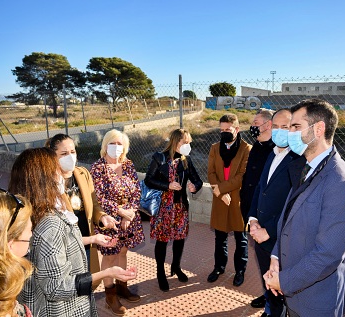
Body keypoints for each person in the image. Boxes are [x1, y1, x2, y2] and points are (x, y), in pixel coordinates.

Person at [264, 99, 345, 317]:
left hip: (318, 302)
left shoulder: (341, 183)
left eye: (295, 127)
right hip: (295, 296)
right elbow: (288, 219)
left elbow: (327, 254)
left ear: (318, 129)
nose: (289, 133)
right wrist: (276, 257)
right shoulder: (304, 167)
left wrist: (284, 280)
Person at [10, 148, 137, 317]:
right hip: (63, 310)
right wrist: (107, 273)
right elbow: (57, 287)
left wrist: (93, 238)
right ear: (43, 178)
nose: (61, 174)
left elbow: (58, 246)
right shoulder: (50, 224)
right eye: (55, 169)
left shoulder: (32, 213)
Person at [248, 108, 300, 317]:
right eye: (276, 127)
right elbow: (260, 189)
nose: (279, 132)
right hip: (259, 235)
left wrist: (269, 230)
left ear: (294, 129)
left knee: (282, 284)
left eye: (285, 127)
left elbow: (295, 206)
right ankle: (271, 310)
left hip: (280, 238)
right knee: (268, 281)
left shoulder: (298, 160)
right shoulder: (272, 153)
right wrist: (252, 221)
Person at [46, 134, 118, 276]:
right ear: (52, 156)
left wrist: (103, 217)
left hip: (87, 243)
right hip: (66, 247)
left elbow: (94, 204)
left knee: (88, 282)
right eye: (64, 153)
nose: (70, 156)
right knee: (72, 286)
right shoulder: (49, 182)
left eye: (73, 152)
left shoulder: (83, 174)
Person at [91, 129, 145, 315]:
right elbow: (98, 197)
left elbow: (137, 191)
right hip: (109, 221)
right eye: (112, 143)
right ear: (105, 145)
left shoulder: (128, 164)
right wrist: (120, 211)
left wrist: (128, 214)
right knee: (110, 256)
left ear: (125, 147)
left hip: (129, 219)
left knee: (123, 251)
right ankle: (110, 295)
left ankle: (123, 287)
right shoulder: (98, 167)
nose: (116, 147)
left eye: (119, 144)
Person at [144, 128, 204, 292]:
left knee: (179, 238)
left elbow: (197, 180)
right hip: (162, 207)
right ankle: (160, 272)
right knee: (162, 241)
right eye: (185, 142)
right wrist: (167, 186)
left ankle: (176, 267)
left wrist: (194, 187)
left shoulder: (186, 160)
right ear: (175, 142)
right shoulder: (159, 158)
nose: (188, 145)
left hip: (180, 206)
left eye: (189, 142)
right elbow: (149, 180)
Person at [207, 113, 252, 287]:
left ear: (237, 129)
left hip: (237, 199)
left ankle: (240, 270)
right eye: (221, 130)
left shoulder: (246, 149)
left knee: (241, 238)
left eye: (228, 129)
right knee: (220, 238)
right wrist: (220, 192)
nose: (224, 132)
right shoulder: (214, 147)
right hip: (220, 199)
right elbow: (210, 172)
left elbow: (242, 176)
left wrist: (221, 189)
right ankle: (219, 267)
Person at [239, 108, 275, 309]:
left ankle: (275, 302)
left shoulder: (276, 150)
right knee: (262, 258)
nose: (252, 126)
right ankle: (267, 293)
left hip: (267, 218)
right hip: (252, 214)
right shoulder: (257, 146)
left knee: (273, 259)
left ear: (267, 125)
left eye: (255, 122)